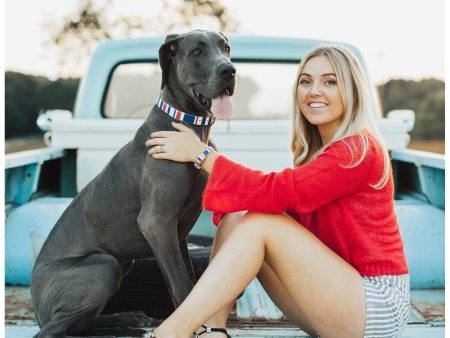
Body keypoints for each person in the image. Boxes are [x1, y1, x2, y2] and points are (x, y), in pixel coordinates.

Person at [144, 45, 410, 338]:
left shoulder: (358, 149)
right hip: (340, 302)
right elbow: (268, 198)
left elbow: (278, 191)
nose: (314, 91)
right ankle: (212, 331)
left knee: (260, 221)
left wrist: (203, 156)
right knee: (240, 216)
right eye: (306, 81)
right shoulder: (322, 152)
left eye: (330, 82)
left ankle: (169, 333)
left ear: (353, 92)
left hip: (377, 306)